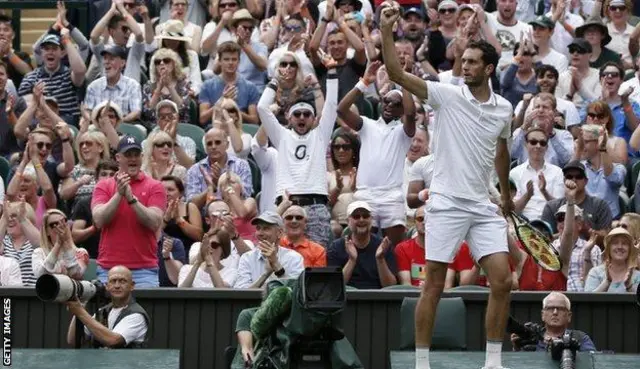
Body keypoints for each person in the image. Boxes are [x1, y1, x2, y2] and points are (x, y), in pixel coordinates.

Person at [379, 5, 514, 369]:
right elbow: (394, 72)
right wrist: (385, 31)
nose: (464, 65)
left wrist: (505, 193)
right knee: (434, 283)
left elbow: (501, 149)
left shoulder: (504, 109)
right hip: (446, 203)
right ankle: (422, 362)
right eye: (462, 60)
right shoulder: (446, 94)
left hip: (483, 205)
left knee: (502, 281)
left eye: (471, 62)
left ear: (487, 69)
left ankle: (493, 361)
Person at [256, 53, 339, 248]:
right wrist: (276, 80)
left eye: (307, 114)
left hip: (316, 206)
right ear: (290, 118)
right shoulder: (282, 136)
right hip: (287, 205)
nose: (302, 117)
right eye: (297, 114)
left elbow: (332, 106)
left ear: (313, 118)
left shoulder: (320, 135)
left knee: (318, 263)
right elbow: (262, 107)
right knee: (284, 260)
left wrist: (332, 70)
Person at [91, 135, 166, 287]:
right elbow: (99, 220)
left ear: (142, 157)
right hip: (109, 269)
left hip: (144, 270)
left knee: (145, 311)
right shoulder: (103, 186)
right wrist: (119, 194)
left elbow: (154, 222)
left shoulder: (155, 186)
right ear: (118, 158)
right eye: (128, 155)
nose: (133, 159)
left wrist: (131, 199)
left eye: (136, 154)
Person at [65, 265, 150, 348]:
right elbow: (73, 341)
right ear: (107, 286)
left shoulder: (137, 315)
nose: (117, 286)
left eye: (122, 281)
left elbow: (113, 341)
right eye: (113, 281)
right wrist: (79, 309)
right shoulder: (102, 311)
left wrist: (80, 311)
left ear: (132, 286)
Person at [327, 201, 397, 289]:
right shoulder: (336, 247)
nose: (361, 220)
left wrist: (380, 259)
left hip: (378, 298)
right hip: (348, 298)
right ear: (348, 221)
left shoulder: (383, 246)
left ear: (371, 219)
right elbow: (334, 286)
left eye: (365, 216)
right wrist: (352, 260)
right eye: (356, 217)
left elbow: (390, 287)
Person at [234, 211, 304, 289]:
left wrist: (277, 266)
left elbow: (296, 292)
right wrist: (266, 274)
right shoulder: (247, 258)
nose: (260, 233)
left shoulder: (294, 258)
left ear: (280, 233)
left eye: (266, 228)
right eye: (258, 228)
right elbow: (241, 295)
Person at [510, 292, 596, 352]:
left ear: (569, 316)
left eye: (560, 309)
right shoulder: (530, 339)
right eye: (550, 308)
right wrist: (517, 349)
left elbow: (592, 361)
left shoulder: (580, 338)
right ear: (543, 315)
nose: (555, 312)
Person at [31, 209, 89, 280]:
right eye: (54, 225)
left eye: (63, 222)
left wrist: (66, 245)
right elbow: (41, 275)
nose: (60, 226)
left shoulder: (81, 252)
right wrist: (58, 245)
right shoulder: (38, 253)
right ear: (47, 231)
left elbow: (76, 275)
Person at [585, 227, 640, 292]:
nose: (620, 247)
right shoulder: (596, 272)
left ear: (630, 249)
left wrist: (629, 286)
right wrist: (607, 282)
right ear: (608, 249)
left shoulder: (638, 276)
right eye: (615, 243)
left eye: (624, 243)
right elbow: (589, 300)